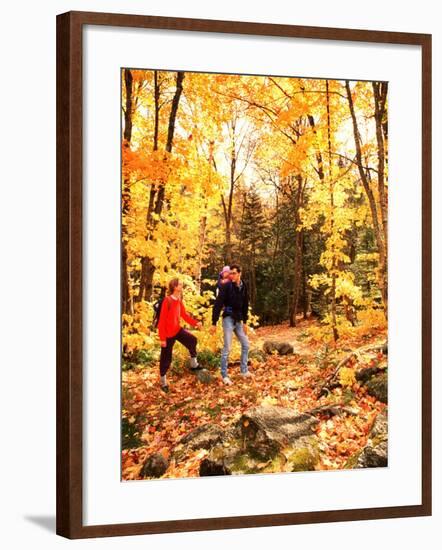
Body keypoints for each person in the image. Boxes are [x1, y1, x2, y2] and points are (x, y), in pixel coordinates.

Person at [157, 277, 202, 392]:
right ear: (175, 287)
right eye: (180, 285)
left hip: (177, 330)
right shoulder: (167, 301)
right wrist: (162, 339)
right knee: (166, 359)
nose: (182, 286)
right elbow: (161, 321)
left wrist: (196, 323)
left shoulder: (179, 301)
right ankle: (163, 383)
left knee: (192, 340)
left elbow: (185, 316)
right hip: (167, 335)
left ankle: (194, 364)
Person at [210, 264, 251, 385]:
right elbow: (218, 304)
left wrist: (245, 322)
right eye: (230, 273)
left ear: (239, 273)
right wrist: (214, 322)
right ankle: (224, 375)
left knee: (246, 344)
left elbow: (245, 304)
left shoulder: (244, 286)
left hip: (238, 320)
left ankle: (244, 371)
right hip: (228, 319)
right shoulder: (226, 286)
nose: (231, 275)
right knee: (227, 348)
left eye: (234, 273)